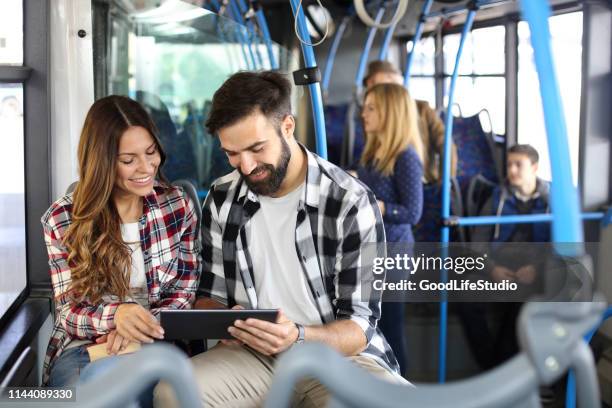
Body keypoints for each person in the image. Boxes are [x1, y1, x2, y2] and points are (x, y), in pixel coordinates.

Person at [154, 71, 404, 407]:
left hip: (336, 358)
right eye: (231, 153)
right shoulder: (222, 197)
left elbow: (359, 328)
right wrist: (228, 321)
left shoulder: (349, 201)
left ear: (288, 126)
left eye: (257, 148)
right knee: (173, 392)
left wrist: (297, 336)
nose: (245, 165)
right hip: (252, 356)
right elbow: (208, 297)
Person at [41, 95, 201, 403]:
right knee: (93, 394)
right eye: (128, 160)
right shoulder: (62, 219)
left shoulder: (177, 205)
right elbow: (68, 313)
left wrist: (138, 326)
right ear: (101, 162)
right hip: (85, 348)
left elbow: (184, 295)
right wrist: (118, 316)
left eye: (151, 152)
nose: (146, 168)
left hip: (160, 341)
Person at [459, 144, 550, 370]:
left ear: (535, 167)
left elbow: (557, 245)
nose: (512, 171)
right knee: (465, 298)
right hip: (500, 267)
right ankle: (493, 366)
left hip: (534, 271)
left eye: (519, 165)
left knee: (520, 306)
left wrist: (536, 269)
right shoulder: (497, 197)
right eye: (509, 165)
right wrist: (492, 269)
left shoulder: (552, 201)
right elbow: (479, 241)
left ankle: (503, 373)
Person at [357, 83, 423, 375]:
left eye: (371, 108)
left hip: (395, 251)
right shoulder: (373, 152)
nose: (363, 114)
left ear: (390, 113)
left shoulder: (406, 156)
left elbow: (413, 212)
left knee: (391, 327)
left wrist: (377, 204)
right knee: (373, 328)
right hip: (373, 247)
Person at [363, 60, 458, 184]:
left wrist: (444, 182)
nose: (371, 88)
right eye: (369, 84)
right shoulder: (372, 115)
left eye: (375, 82)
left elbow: (445, 144)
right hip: (388, 179)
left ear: (393, 80)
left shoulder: (423, 109)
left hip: (422, 180)